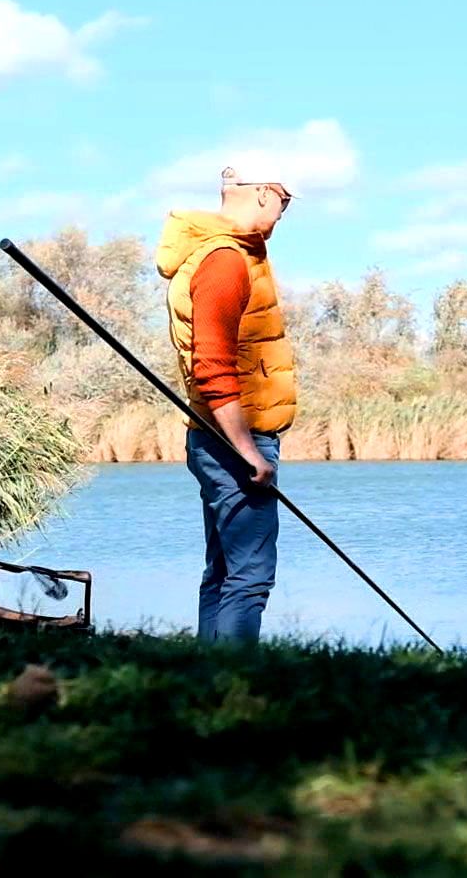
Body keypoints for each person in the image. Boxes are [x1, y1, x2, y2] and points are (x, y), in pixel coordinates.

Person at [154, 161, 299, 645]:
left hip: (218, 439)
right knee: (250, 577)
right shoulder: (224, 261)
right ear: (263, 193)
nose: (283, 214)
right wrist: (249, 452)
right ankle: (235, 693)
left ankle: (206, 683)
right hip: (233, 441)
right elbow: (212, 367)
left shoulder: (223, 254)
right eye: (285, 201)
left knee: (223, 571)